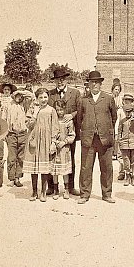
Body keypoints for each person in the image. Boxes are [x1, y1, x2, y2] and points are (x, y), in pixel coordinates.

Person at [76, 71, 117, 204]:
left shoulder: (108, 98)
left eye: (97, 82)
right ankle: (84, 194)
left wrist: (106, 130)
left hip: (105, 139)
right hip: (88, 139)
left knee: (106, 167)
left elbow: (114, 117)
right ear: (88, 84)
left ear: (100, 84)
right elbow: (79, 119)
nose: (94, 85)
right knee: (86, 168)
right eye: (92, 82)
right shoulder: (83, 100)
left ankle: (107, 194)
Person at [48, 66, 81, 195]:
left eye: (62, 79)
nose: (60, 82)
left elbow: (80, 110)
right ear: (54, 81)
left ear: (66, 80)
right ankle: (52, 187)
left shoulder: (75, 93)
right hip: (54, 134)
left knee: (70, 158)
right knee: (52, 158)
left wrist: (71, 115)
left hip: (68, 133)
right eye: (57, 80)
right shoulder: (50, 94)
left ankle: (71, 187)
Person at [24, 87, 59, 202]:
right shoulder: (32, 110)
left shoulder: (51, 110)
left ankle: (43, 192)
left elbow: (55, 127)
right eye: (41, 97)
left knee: (44, 167)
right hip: (34, 140)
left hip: (46, 140)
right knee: (34, 167)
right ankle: (34, 192)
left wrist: (53, 142)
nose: (43, 99)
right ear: (37, 98)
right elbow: (28, 125)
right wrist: (34, 115)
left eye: (45, 97)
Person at [51, 99, 75, 199]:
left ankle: (66, 189)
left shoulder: (68, 121)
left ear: (64, 109)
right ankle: (56, 190)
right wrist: (55, 142)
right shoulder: (53, 120)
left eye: (61, 109)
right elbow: (50, 133)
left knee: (65, 170)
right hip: (55, 148)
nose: (59, 112)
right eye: (57, 110)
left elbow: (72, 135)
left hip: (65, 148)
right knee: (55, 170)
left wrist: (64, 142)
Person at [6, 88, 29, 187]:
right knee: (12, 157)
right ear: (14, 96)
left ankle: (17, 177)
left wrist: (22, 92)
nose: (19, 98)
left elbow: (31, 96)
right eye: (17, 96)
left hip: (23, 133)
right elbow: (3, 118)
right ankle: (11, 178)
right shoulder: (9, 105)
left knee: (21, 157)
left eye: (21, 96)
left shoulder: (25, 105)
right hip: (11, 133)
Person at [117, 93, 134, 186]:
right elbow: (119, 131)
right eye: (126, 112)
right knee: (126, 160)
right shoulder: (122, 121)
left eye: (129, 112)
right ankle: (127, 176)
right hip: (124, 143)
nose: (128, 114)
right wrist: (119, 140)